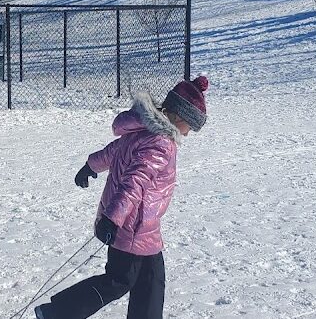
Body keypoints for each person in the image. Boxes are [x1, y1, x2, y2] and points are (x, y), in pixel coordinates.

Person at [34, 76, 209, 319]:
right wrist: (112, 218)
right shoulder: (161, 143)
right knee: (119, 280)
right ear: (178, 117)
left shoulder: (145, 129)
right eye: (190, 126)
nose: (188, 134)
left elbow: (114, 151)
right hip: (131, 225)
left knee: (150, 281)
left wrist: (91, 165)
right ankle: (57, 312)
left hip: (142, 226)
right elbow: (134, 182)